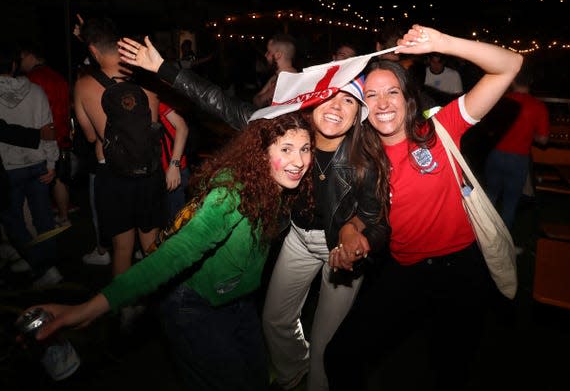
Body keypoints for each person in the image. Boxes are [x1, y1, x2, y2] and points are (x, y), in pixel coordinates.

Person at [118, 35, 390, 391]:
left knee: (327, 338)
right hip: (297, 239)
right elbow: (224, 106)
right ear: (314, 102)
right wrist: (165, 70)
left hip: (339, 250)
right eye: (331, 97)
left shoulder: (365, 159)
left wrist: (358, 236)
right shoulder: (290, 131)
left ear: (359, 116)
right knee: (275, 319)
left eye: (349, 102)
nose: (337, 107)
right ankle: (293, 374)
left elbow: (378, 219)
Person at [21, 111, 314, 391]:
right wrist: (92, 307)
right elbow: (172, 255)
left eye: (305, 149)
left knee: (256, 381)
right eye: (286, 149)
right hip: (195, 307)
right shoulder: (231, 195)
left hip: (238, 303)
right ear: (260, 152)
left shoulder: (277, 187)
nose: (299, 161)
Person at [325, 24, 523, 391]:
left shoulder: (439, 128)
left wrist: (442, 42)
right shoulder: (359, 156)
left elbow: (510, 64)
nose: (383, 104)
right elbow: (358, 212)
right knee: (340, 356)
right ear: (362, 106)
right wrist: (350, 231)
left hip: (460, 271)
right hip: (405, 272)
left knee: (452, 369)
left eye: (392, 92)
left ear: (407, 97)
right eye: (372, 95)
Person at [73, 17, 165, 279]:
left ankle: (124, 310)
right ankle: (160, 307)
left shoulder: (83, 86)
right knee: (152, 246)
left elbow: (90, 137)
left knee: (121, 248)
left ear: (92, 50)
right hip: (148, 171)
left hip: (111, 174)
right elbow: (154, 125)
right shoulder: (147, 80)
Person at [0, 43, 63, 287]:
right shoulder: (36, 91)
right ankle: (48, 264)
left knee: (12, 220)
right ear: (14, 65)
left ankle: (40, 263)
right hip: (37, 162)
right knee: (43, 217)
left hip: (8, 167)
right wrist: (51, 162)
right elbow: (48, 129)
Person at [484, 67, 550, 232]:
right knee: (510, 202)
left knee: (490, 197)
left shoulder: (501, 101)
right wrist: (530, 134)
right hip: (518, 158)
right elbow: (543, 140)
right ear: (531, 82)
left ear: (512, 80)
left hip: (495, 154)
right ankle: (503, 243)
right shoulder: (538, 106)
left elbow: (488, 129)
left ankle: (483, 238)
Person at [18, 42, 74, 227]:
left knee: (41, 180)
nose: (20, 62)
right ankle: (64, 217)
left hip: (43, 136)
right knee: (59, 178)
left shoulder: (32, 79)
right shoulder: (58, 77)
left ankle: (41, 223)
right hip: (62, 133)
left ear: (30, 55)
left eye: (22, 58)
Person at [252, 33, 298, 108]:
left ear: (278, 55)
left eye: (269, 52)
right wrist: (264, 96)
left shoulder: (290, 79)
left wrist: (262, 97)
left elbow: (259, 101)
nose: (265, 55)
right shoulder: (276, 77)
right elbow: (256, 100)